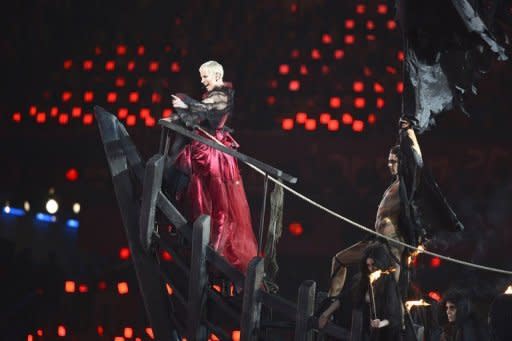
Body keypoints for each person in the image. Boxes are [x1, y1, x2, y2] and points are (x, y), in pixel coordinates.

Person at [317, 118, 463, 328]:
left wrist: (409, 132)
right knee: (339, 260)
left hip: (394, 245)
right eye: (388, 161)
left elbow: (417, 160)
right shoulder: (392, 186)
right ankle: (330, 305)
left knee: (394, 290)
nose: (390, 164)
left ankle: (400, 324)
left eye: (394, 161)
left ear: (402, 163)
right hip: (377, 244)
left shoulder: (407, 183)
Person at [168, 60, 257, 273]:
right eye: (201, 76)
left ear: (217, 75)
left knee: (219, 203)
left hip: (213, 154)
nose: (202, 80)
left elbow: (210, 116)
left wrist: (185, 102)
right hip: (202, 148)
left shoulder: (222, 95)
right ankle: (190, 231)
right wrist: (181, 111)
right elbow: (197, 118)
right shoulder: (212, 96)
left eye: (205, 76)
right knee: (197, 191)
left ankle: (213, 248)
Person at [350, 242, 405, 341]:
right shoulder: (364, 280)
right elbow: (347, 297)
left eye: (373, 265)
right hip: (364, 331)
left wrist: (380, 323)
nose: (371, 269)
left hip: (384, 335)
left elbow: (394, 316)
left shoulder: (389, 284)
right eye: (368, 265)